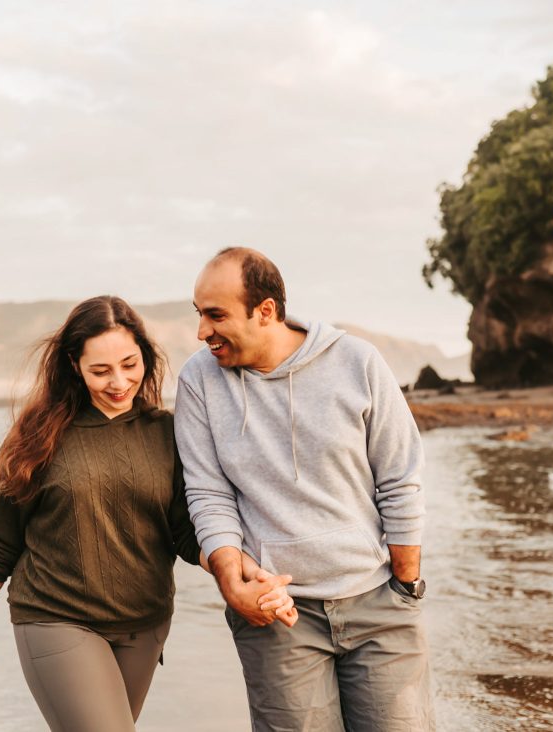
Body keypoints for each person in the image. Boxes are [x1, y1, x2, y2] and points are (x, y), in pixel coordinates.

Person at [0, 295, 296, 731]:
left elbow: (187, 531)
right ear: (74, 367)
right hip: (56, 617)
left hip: (146, 625)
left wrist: (247, 572)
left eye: (129, 364)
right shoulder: (37, 439)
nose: (119, 381)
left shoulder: (168, 432)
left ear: (146, 358)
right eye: (100, 371)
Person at [174, 248, 436, 731]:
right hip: (275, 617)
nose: (202, 332)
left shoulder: (357, 362)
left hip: (379, 605)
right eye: (199, 315)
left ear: (266, 311)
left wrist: (406, 586)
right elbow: (208, 495)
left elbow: (400, 477)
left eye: (216, 315)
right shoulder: (199, 380)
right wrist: (233, 585)